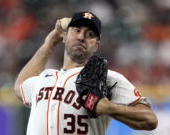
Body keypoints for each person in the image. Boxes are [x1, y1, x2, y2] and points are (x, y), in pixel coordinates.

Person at [14, 11, 158, 135]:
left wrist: (108, 108)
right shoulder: (46, 77)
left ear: (96, 45)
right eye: (77, 30)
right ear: (64, 36)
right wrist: (50, 42)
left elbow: (149, 119)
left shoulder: (106, 78)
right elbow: (20, 87)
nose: (81, 37)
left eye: (90, 34)